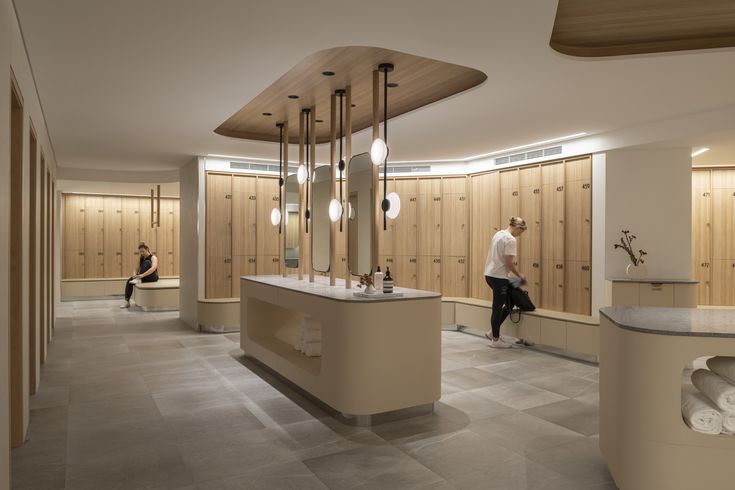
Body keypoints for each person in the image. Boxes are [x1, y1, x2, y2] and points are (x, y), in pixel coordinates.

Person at [484, 217, 527, 348]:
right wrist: (520, 276)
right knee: (497, 307)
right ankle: (495, 340)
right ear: (518, 227)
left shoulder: (498, 234)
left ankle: (493, 332)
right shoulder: (510, 239)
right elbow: (509, 263)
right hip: (499, 277)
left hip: (490, 275)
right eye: (521, 232)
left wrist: (517, 281)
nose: (520, 235)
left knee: (512, 299)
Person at [120, 242, 159, 308]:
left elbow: (153, 268)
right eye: (140, 252)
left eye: (143, 251)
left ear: (147, 249)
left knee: (147, 262)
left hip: (152, 276)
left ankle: (138, 279)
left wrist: (142, 275)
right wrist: (134, 275)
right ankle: (127, 302)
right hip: (143, 276)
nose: (141, 253)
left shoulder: (153, 257)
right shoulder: (141, 258)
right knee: (129, 280)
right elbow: (136, 269)